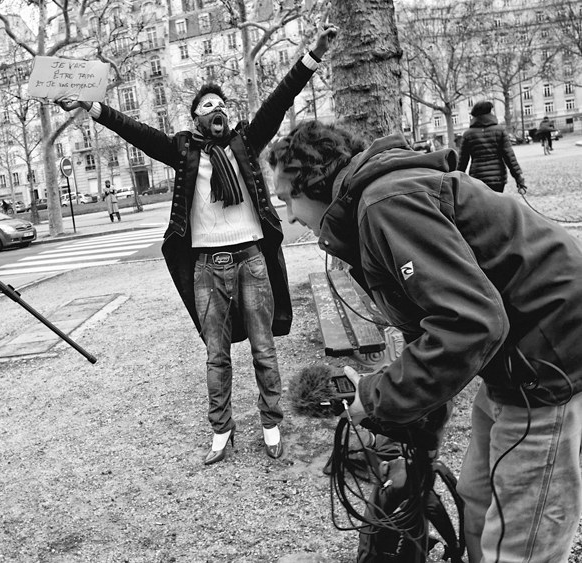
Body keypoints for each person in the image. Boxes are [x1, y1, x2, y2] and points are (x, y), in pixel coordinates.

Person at [267, 120, 582, 563]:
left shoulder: (385, 204)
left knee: (520, 538)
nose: (289, 216)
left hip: (545, 362)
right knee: (476, 496)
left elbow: (471, 325)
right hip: (512, 360)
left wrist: (375, 396)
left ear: (313, 181)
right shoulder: (373, 207)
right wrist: (415, 450)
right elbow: (428, 334)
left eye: (287, 200)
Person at [57, 23, 339, 465]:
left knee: (264, 348)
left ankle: (270, 423)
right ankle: (221, 431)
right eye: (208, 105)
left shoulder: (246, 142)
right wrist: (93, 107)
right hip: (209, 266)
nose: (217, 108)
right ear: (197, 119)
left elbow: (281, 98)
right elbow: (138, 132)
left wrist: (313, 55)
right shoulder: (185, 151)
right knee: (216, 355)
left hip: (252, 259)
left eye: (221, 103)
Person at [456, 100, 525, 193]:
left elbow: (462, 161)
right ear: (489, 113)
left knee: (482, 205)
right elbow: (509, 156)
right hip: (497, 177)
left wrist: (456, 181)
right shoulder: (500, 130)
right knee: (497, 204)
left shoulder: (468, 134)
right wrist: (518, 178)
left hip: (477, 177)